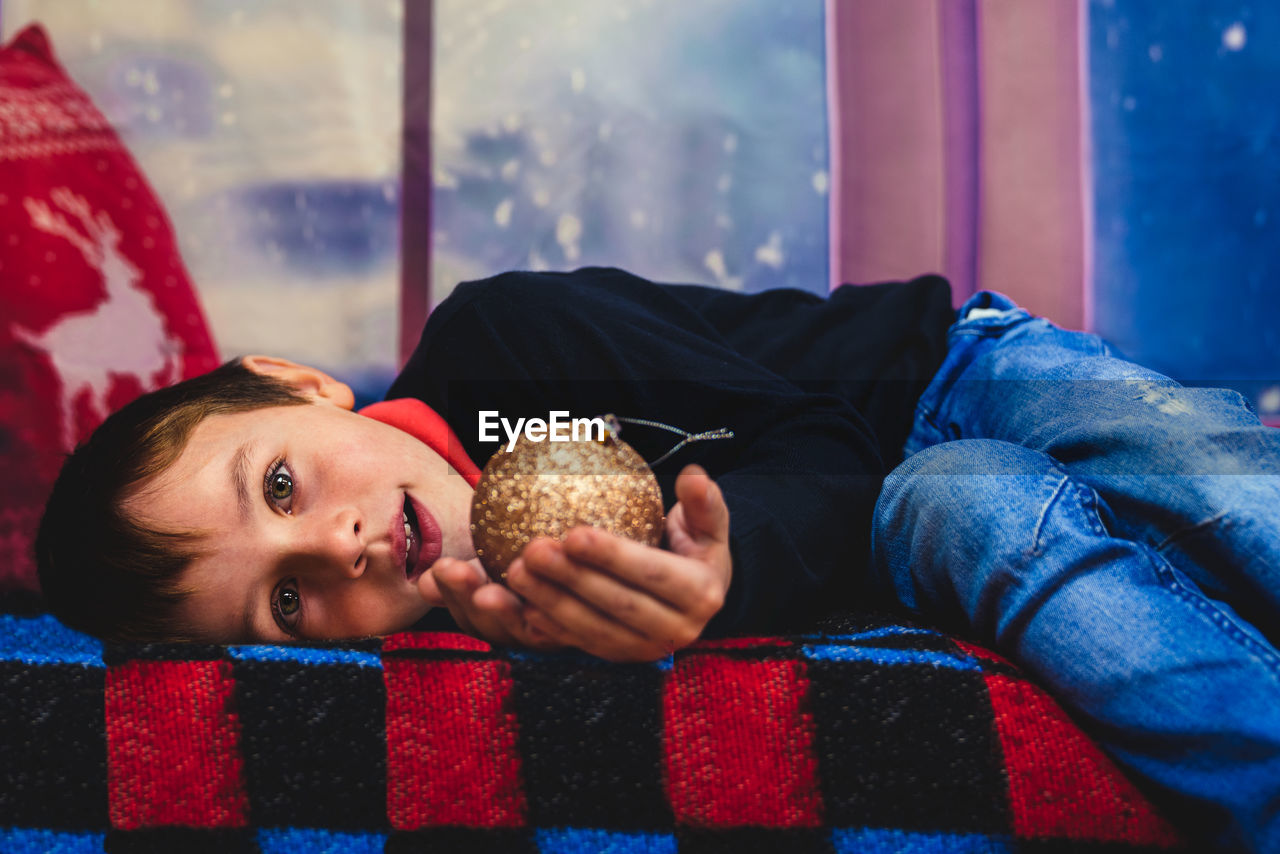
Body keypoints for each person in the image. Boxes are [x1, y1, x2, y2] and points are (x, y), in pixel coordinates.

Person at [35, 267, 1280, 851]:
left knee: (1192, 467)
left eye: (282, 483)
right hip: (905, 507)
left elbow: (820, 434)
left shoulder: (502, 343)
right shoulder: (511, 625)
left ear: (294, 383)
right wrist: (691, 603)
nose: (335, 543)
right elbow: (877, 507)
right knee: (981, 510)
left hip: (940, 370)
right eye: (289, 600)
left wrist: (719, 564)